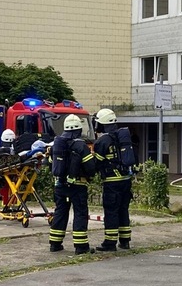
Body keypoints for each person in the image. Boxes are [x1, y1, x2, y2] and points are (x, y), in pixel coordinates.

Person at [49, 114, 96, 254]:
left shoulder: (57, 144)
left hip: (60, 185)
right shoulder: (81, 146)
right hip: (78, 186)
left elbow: (51, 164)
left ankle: (55, 244)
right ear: (79, 130)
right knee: (80, 213)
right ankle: (81, 247)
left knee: (60, 212)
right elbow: (90, 168)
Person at [92, 108, 133, 252]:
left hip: (112, 182)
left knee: (111, 212)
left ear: (101, 124)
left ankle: (109, 243)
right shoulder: (122, 138)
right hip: (126, 180)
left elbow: (96, 164)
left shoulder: (103, 141)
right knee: (123, 210)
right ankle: (125, 241)